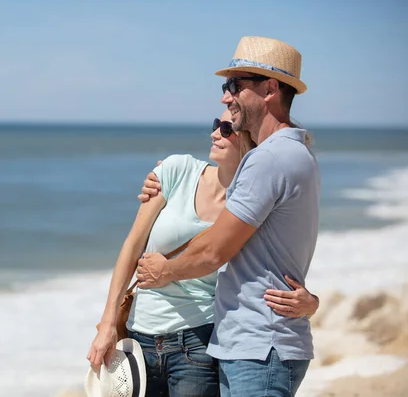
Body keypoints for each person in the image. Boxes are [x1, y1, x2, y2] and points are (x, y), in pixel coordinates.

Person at [87, 108, 319, 397]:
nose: (214, 133)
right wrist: (107, 324)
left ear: (248, 139)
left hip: (198, 344)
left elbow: (270, 262)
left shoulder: (252, 204)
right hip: (137, 337)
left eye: (226, 128)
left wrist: (310, 302)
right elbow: (132, 246)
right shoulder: (175, 170)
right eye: (215, 125)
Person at [135, 36, 320, 397]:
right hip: (255, 344)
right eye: (226, 86)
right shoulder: (296, 154)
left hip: (260, 347)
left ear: (269, 88)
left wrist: (163, 271)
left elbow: (214, 251)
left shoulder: (270, 159)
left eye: (235, 85)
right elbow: (273, 250)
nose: (225, 97)